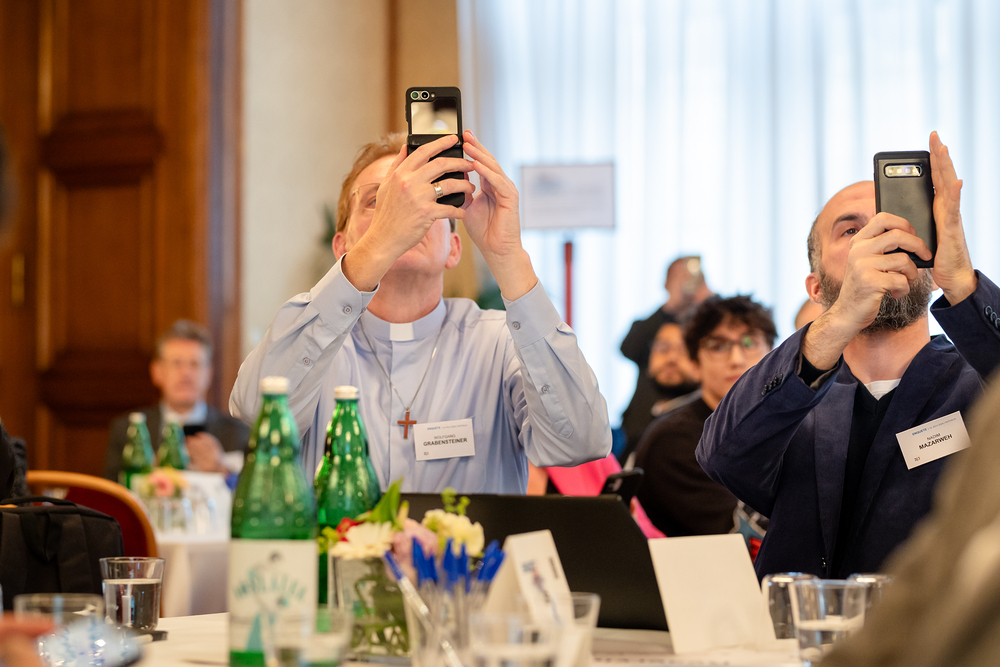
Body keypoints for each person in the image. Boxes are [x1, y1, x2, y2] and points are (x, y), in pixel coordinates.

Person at [230, 131, 611, 493]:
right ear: (341, 246)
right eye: (378, 202)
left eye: (428, 198)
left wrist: (508, 256)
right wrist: (381, 241)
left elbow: (579, 442)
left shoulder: (501, 343)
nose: (404, 215)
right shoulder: (312, 343)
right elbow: (254, 411)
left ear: (454, 249)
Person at [697, 132, 1000, 579]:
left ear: (930, 267)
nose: (879, 242)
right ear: (817, 288)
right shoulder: (790, 396)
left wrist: (962, 283)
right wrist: (840, 317)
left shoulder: (980, 384)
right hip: (799, 622)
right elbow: (723, 456)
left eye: (898, 226)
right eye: (852, 231)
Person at [635, 296, 776, 537]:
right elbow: (746, 538)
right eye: (718, 346)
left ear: (773, 356)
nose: (736, 359)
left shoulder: (781, 425)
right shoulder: (676, 440)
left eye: (749, 342)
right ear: (694, 364)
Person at [105, 320, 250, 482]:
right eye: (177, 363)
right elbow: (112, 493)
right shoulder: (127, 429)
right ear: (157, 372)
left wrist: (221, 470)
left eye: (194, 364)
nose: (186, 373)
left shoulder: (238, 432)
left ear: (208, 374)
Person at [619, 256, 713, 463]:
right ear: (666, 283)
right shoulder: (651, 326)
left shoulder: (706, 326)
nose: (671, 358)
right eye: (679, 276)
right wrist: (670, 306)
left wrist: (710, 303)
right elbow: (627, 348)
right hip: (638, 428)